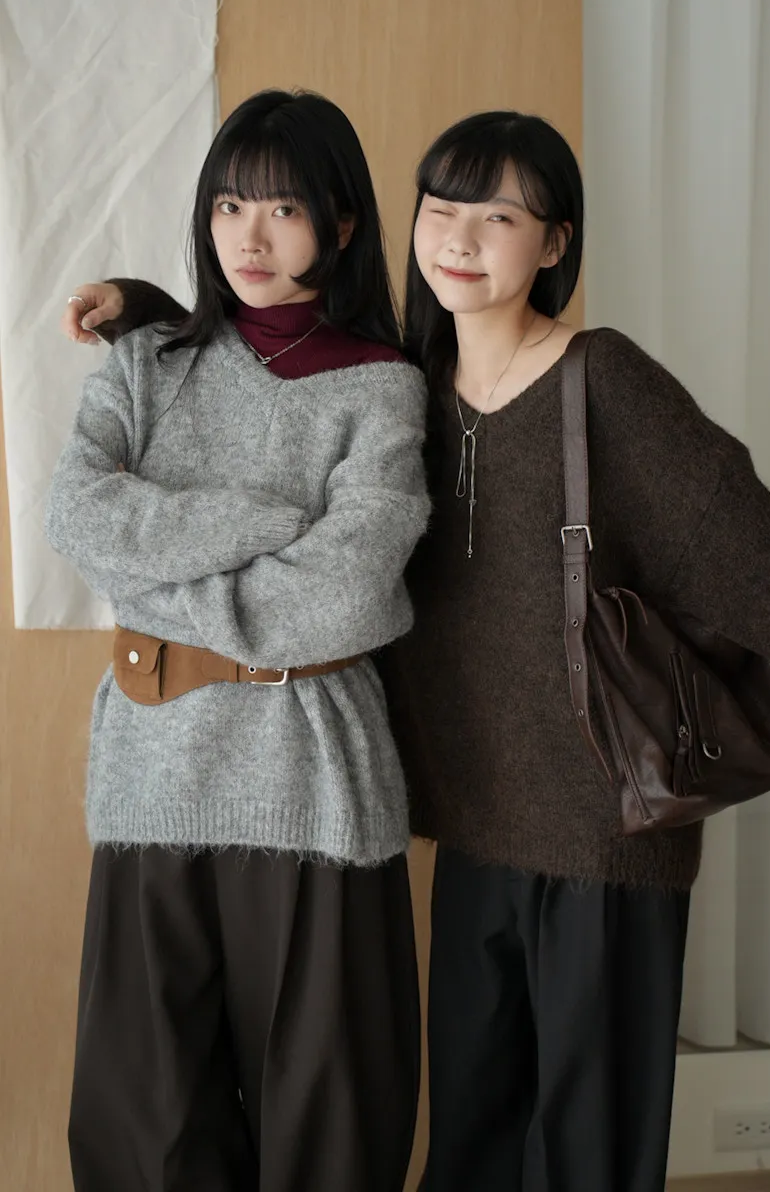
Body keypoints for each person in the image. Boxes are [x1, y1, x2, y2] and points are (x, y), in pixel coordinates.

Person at [62, 110, 770, 1192]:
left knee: (584, 1158)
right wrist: (150, 311)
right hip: (470, 829)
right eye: (443, 210)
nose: (459, 238)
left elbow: (766, 562)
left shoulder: (598, 383)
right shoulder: (420, 375)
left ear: (553, 243)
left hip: (604, 828)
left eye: (497, 217)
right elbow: (254, 344)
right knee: (467, 1148)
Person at [47, 88, 429, 1192]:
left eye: (282, 210)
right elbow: (78, 519)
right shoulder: (145, 361)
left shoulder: (383, 386)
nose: (248, 239)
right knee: (149, 1116)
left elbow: (346, 596)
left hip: (313, 775)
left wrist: (159, 575)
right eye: (227, 207)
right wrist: (263, 523)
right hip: (150, 770)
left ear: (340, 224)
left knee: (326, 1113)